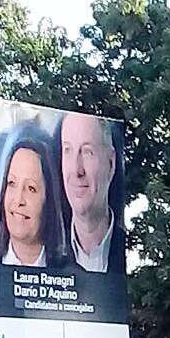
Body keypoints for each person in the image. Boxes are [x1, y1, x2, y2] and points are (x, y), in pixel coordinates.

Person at [59, 113, 124, 274]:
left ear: (111, 163)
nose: (76, 170)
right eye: (67, 150)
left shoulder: (130, 248)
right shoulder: (47, 255)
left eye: (87, 152)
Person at [0, 127, 67, 269]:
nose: (18, 200)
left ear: (48, 201)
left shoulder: (75, 276)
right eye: (12, 183)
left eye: (31, 188)